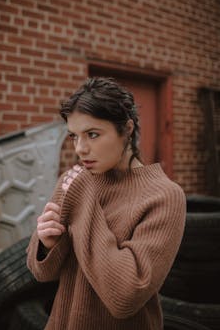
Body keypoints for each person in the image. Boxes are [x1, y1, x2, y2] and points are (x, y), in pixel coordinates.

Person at [26, 77, 186, 330]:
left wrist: (82, 196)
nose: (80, 149)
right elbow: (42, 272)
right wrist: (47, 244)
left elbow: (126, 295)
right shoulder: (76, 180)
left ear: (127, 129)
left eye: (92, 134)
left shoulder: (164, 196)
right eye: (74, 137)